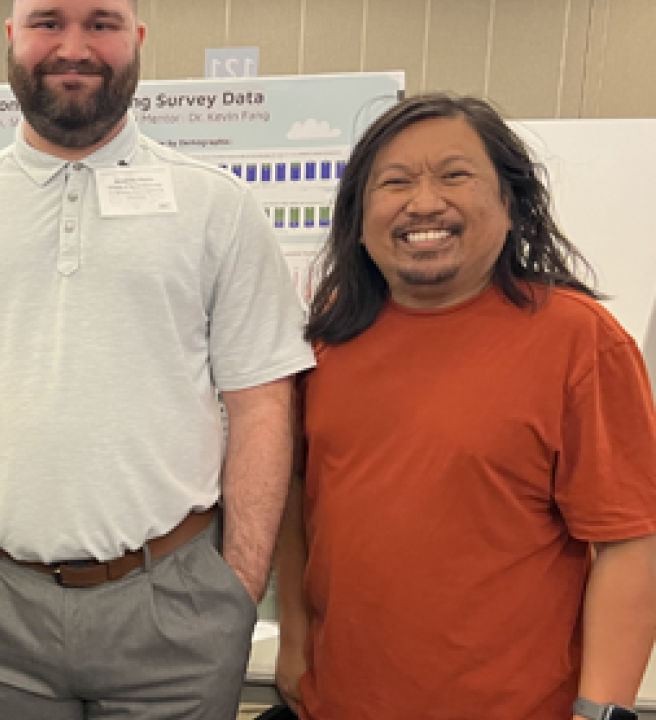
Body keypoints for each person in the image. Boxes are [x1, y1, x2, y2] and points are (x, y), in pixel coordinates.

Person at [0, 0, 314, 717]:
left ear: (136, 39)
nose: (73, 47)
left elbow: (262, 402)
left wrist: (238, 582)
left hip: (175, 611)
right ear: (11, 37)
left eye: (101, 23)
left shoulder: (217, 208)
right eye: (48, 21)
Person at [275, 93, 656, 720]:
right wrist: (293, 642)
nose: (424, 203)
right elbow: (297, 502)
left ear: (511, 202)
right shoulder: (327, 343)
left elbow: (628, 542)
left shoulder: (578, 339)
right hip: (342, 704)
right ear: (359, 214)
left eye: (455, 175)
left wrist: (601, 710)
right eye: (394, 182)